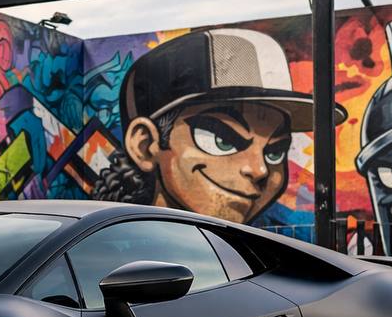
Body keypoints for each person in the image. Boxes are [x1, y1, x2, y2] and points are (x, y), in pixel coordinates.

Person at [94, 29, 345, 224]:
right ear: (145, 145)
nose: (260, 170)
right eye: (222, 140)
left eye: (274, 152)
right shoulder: (117, 249)